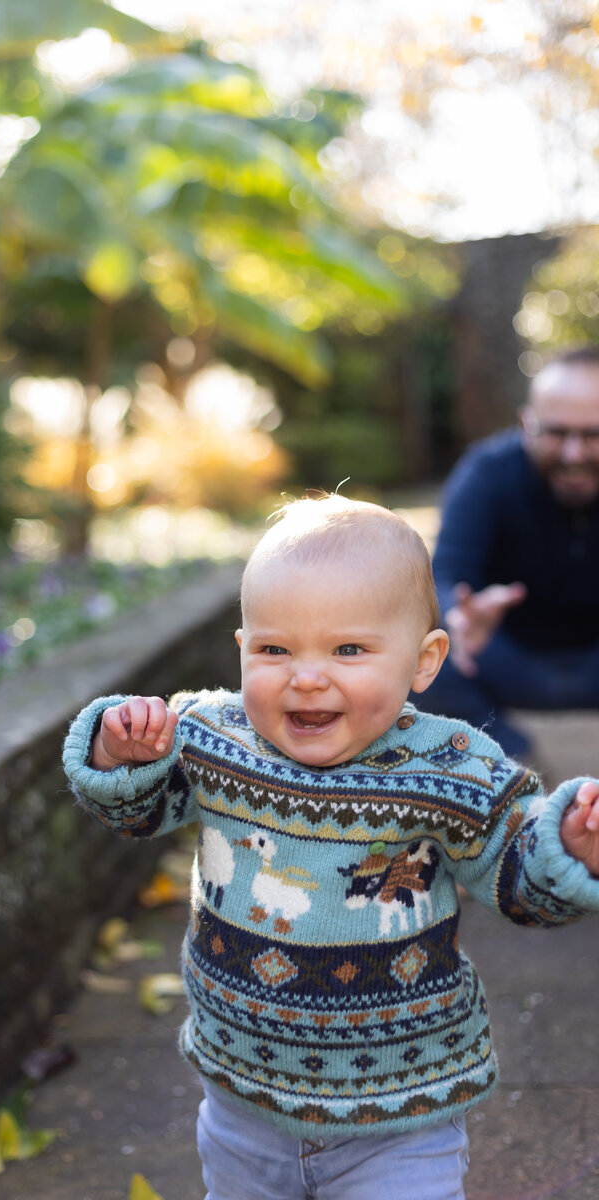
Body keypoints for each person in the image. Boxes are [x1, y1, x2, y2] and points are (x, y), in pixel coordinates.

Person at [62, 494, 599, 1200]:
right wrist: (120, 750)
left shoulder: (451, 765)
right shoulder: (212, 736)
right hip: (239, 1103)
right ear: (243, 649)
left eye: (349, 649)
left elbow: (516, 870)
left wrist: (567, 846)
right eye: (275, 649)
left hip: (401, 1115)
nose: (306, 676)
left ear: (424, 660)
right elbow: (140, 809)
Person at [417, 346, 599, 757]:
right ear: (526, 424)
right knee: (415, 649)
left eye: (593, 435)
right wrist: (459, 616)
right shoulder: (487, 472)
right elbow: (445, 575)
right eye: (556, 433)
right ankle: (508, 762)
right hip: (507, 658)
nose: (574, 454)